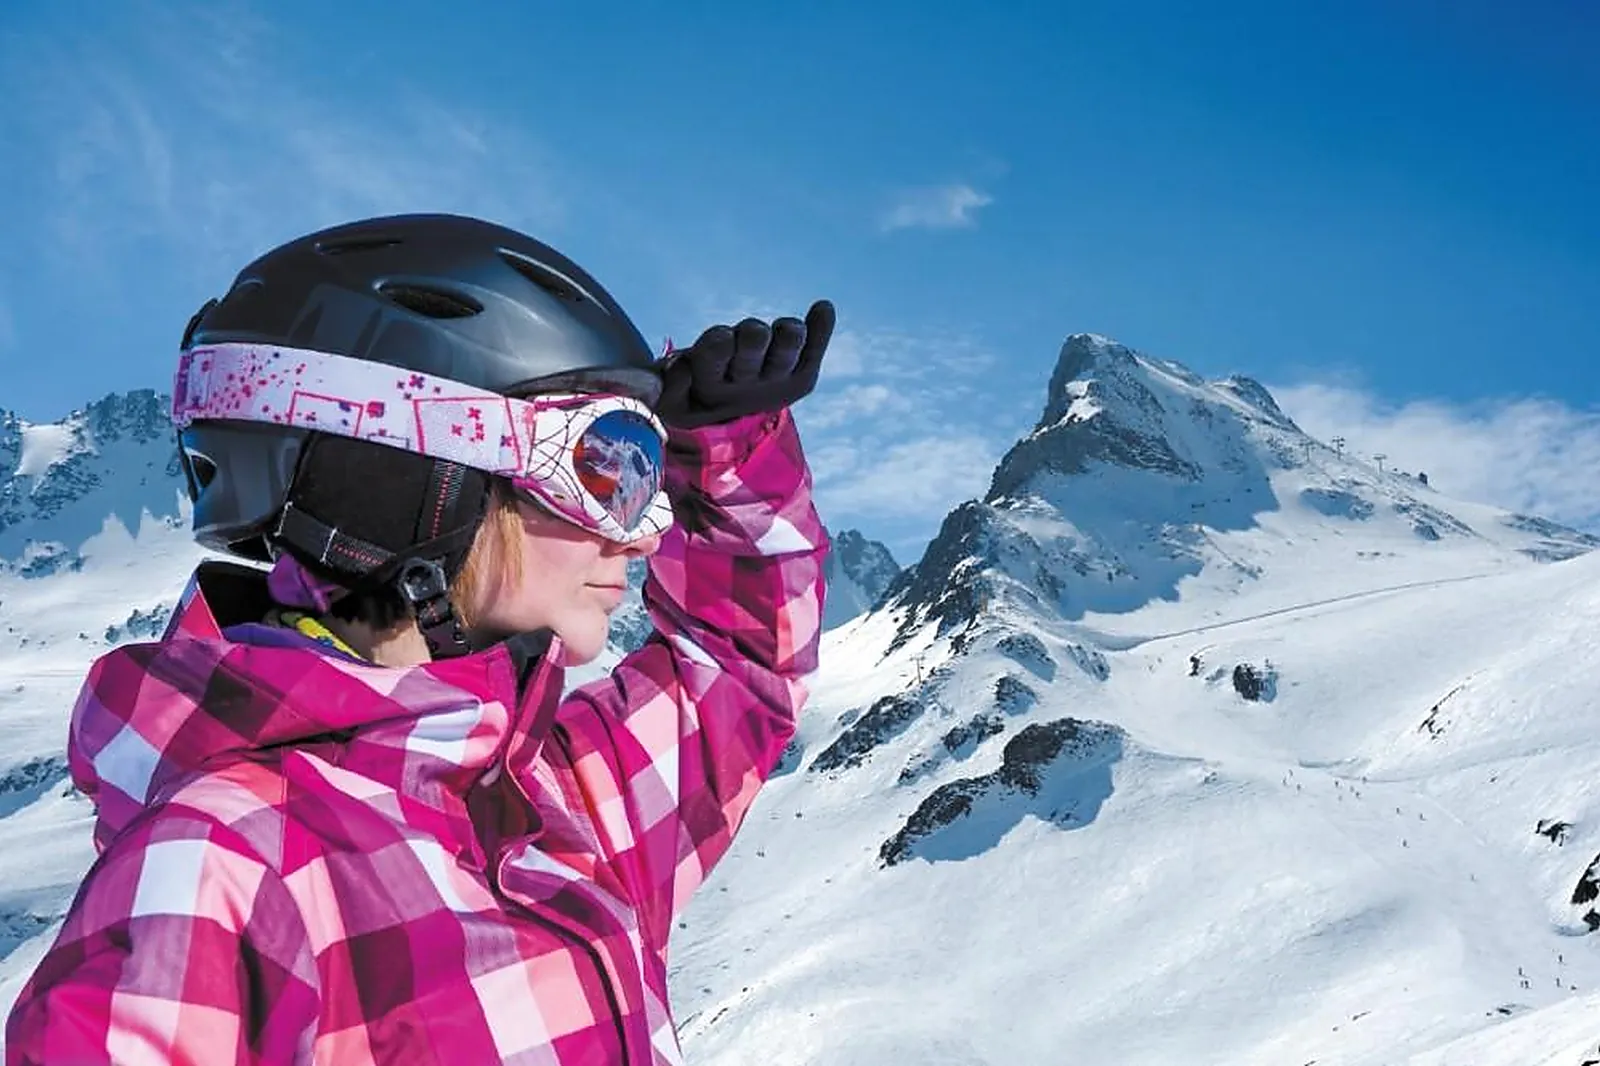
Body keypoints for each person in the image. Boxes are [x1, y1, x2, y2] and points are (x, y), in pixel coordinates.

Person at [4, 214, 832, 1065]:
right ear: (413, 481)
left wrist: (724, 448)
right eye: (602, 465)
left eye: (645, 473)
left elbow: (743, 665)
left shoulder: (547, 804)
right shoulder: (217, 868)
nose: (644, 531)